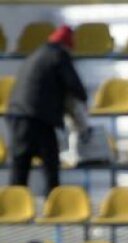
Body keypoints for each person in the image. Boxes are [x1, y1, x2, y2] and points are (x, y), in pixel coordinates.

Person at [6, 24, 86, 194]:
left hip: (17, 116)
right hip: (39, 118)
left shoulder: (36, 54)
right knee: (51, 167)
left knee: (19, 170)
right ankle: (53, 207)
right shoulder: (59, 55)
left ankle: (14, 212)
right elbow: (76, 87)